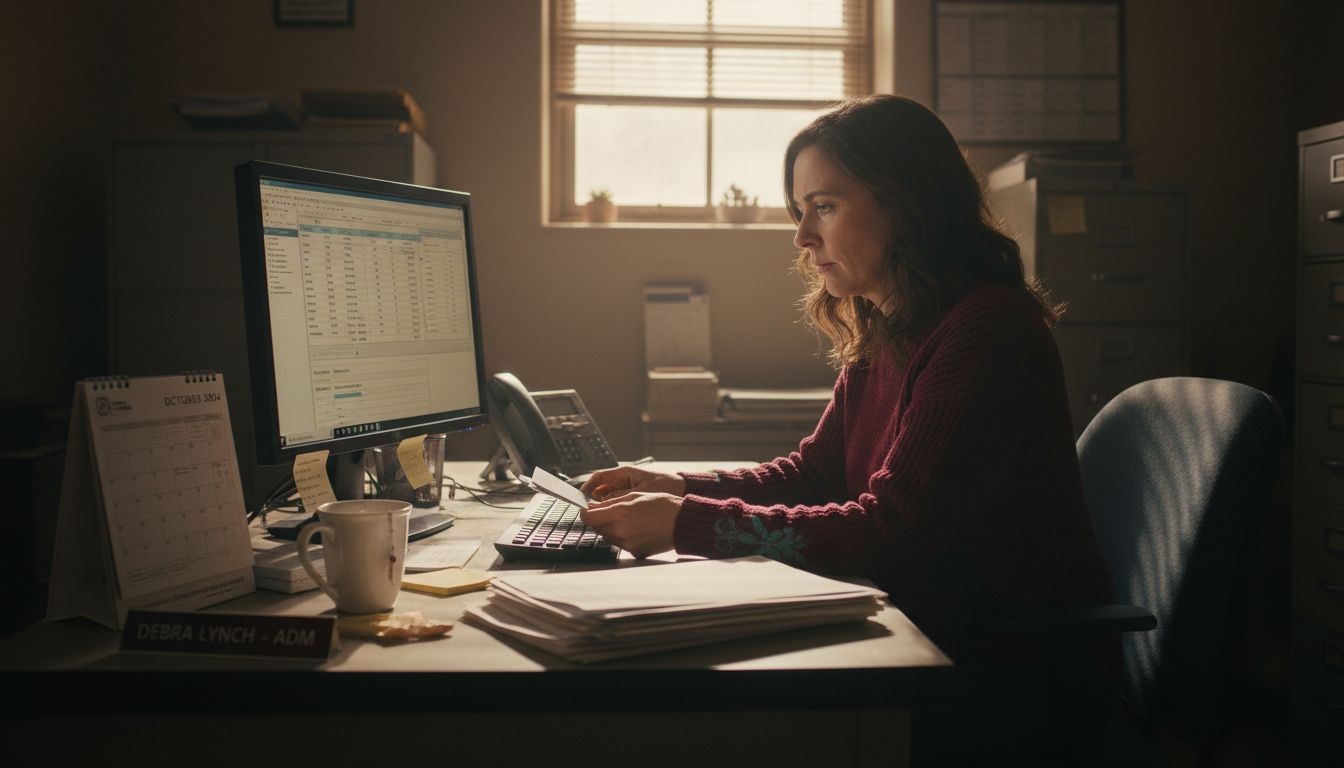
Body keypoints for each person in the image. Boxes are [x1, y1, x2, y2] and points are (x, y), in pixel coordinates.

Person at [579, 95, 1114, 688]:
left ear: (907, 204)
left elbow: (892, 533)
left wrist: (685, 523)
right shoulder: (890, 322)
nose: (803, 236)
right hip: (917, 627)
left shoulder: (986, 331)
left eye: (824, 207)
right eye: (800, 210)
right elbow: (815, 473)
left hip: (1000, 669)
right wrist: (676, 486)